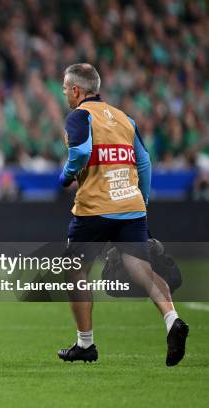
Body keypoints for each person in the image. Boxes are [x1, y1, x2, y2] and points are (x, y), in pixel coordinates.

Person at [57, 63, 188, 366]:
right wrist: (140, 201)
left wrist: (64, 177)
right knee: (141, 269)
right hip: (130, 207)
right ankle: (172, 320)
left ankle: (85, 344)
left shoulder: (79, 116)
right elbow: (144, 163)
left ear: (77, 90)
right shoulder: (124, 118)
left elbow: (79, 152)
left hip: (94, 208)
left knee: (74, 269)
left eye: (66, 88)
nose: (65, 93)